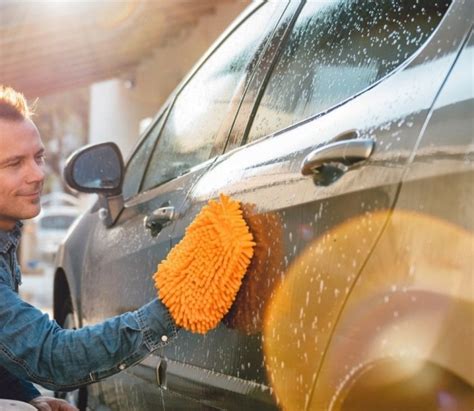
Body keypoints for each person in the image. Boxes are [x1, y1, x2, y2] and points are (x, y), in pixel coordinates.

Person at [0, 85, 177, 410]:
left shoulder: (6, 232)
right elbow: (52, 355)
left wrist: (30, 396)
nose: (38, 174)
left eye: (38, 157)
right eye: (14, 164)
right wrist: (176, 308)